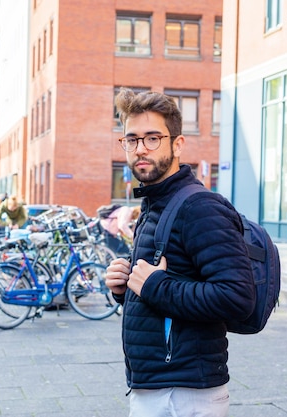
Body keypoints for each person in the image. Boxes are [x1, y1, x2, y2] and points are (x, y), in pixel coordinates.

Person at [104, 88, 255, 417]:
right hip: (155, 385)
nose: (141, 148)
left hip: (186, 394)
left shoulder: (200, 207)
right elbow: (164, 285)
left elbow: (237, 297)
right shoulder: (154, 203)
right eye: (131, 139)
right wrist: (125, 287)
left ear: (178, 144)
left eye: (153, 138)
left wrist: (153, 285)